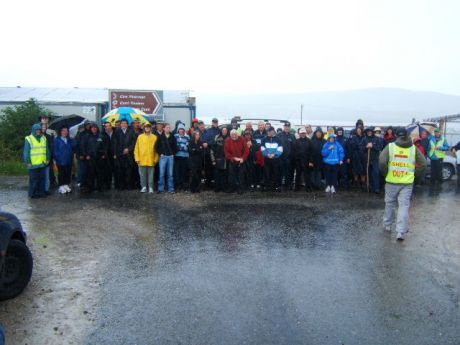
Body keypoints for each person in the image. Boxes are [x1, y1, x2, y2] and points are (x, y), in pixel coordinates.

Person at [379, 127, 427, 241]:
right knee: (403, 206)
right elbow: (424, 164)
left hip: (391, 181)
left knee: (389, 203)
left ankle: (387, 225)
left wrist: (386, 174)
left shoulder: (390, 146)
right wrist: (416, 177)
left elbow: (382, 161)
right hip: (407, 183)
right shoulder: (413, 148)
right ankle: (400, 232)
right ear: (406, 135)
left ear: (396, 135)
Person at [23, 123, 50, 198]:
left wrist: (48, 158)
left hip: (42, 163)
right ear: (33, 130)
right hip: (33, 164)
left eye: (39, 130)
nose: (38, 131)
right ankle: (33, 194)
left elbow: (47, 150)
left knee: (42, 180)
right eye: (37, 130)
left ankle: (41, 193)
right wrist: (28, 162)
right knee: (34, 181)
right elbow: (26, 152)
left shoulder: (43, 138)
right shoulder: (29, 139)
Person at [81, 123, 109, 193]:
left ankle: (100, 187)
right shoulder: (86, 136)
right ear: (90, 129)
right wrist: (86, 155)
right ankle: (90, 187)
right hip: (90, 158)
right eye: (93, 128)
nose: (94, 129)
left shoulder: (101, 136)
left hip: (99, 158)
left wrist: (104, 155)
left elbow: (105, 146)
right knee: (90, 173)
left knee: (100, 173)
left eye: (95, 128)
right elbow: (83, 146)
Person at [134, 122, 159, 193]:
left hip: (151, 159)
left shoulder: (154, 137)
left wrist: (156, 159)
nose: (147, 128)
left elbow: (157, 149)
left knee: (151, 175)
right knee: (142, 175)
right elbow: (136, 149)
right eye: (146, 127)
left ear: (150, 128)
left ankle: (151, 187)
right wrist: (137, 158)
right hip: (141, 160)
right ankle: (144, 187)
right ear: (144, 128)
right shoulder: (140, 137)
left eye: (148, 127)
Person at [112, 119, 137, 190]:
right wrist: (115, 153)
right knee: (120, 171)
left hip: (129, 154)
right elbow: (115, 143)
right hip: (120, 154)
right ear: (120, 124)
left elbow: (134, 142)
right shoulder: (117, 131)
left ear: (127, 124)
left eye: (125, 123)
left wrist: (128, 149)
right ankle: (121, 186)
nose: (123, 124)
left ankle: (129, 185)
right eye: (122, 123)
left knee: (129, 171)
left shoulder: (131, 131)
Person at [224, 129, 249, 194]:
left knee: (241, 175)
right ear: (230, 135)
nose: (234, 136)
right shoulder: (228, 140)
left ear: (237, 134)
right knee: (231, 176)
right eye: (232, 135)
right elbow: (226, 152)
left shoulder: (242, 139)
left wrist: (243, 158)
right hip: (232, 161)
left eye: (235, 134)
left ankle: (240, 189)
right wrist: (233, 158)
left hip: (241, 161)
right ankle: (232, 188)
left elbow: (246, 151)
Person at [53, 126, 76, 194]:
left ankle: (66, 184)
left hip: (68, 159)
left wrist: (72, 139)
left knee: (68, 173)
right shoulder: (57, 140)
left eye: (66, 131)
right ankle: (61, 186)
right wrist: (57, 158)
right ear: (60, 131)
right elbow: (55, 150)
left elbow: (74, 145)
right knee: (61, 173)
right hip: (60, 160)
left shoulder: (69, 139)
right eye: (63, 130)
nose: (65, 132)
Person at [361, 127, 383, 194]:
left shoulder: (377, 139)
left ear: (372, 132)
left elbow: (380, 147)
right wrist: (366, 147)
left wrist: (372, 146)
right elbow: (361, 148)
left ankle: (376, 188)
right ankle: (369, 186)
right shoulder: (364, 139)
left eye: (370, 131)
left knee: (376, 173)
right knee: (368, 173)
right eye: (368, 131)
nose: (369, 132)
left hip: (375, 159)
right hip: (367, 159)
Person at [157, 123, 177, 193]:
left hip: (170, 157)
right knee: (162, 174)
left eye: (169, 127)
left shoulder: (172, 137)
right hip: (163, 157)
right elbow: (156, 147)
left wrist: (173, 154)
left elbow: (175, 147)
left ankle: (171, 189)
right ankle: (160, 189)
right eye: (167, 127)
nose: (168, 129)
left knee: (170, 174)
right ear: (164, 128)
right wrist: (160, 153)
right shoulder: (160, 137)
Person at [261, 127, 283, 192]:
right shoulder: (264, 139)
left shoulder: (278, 139)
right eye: (268, 131)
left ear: (273, 131)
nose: (270, 132)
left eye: (271, 131)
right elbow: (262, 148)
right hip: (267, 159)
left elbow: (280, 149)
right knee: (267, 173)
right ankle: (267, 186)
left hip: (275, 159)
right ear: (267, 132)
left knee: (276, 173)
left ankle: (276, 186)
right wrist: (267, 154)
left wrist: (274, 154)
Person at [277, 122, 296, 190]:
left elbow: (294, 147)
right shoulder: (279, 135)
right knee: (280, 172)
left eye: (288, 127)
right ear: (284, 127)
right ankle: (279, 185)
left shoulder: (292, 136)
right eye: (286, 126)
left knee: (289, 172)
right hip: (281, 157)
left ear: (289, 128)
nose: (287, 128)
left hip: (289, 158)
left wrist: (292, 156)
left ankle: (288, 185)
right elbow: (277, 146)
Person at [202, 118, 220, 188]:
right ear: (212, 123)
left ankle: (216, 183)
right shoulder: (208, 130)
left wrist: (209, 142)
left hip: (217, 153)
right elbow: (204, 140)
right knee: (208, 168)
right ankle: (208, 184)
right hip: (208, 152)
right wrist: (208, 143)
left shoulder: (219, 131)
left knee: (216, 169)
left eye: (216, 122)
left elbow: (217, 141)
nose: (215, 123)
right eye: (214, 122)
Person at [210, 127, 229, 192]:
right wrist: (213, 160)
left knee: (225, 175)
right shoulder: (217, 138)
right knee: (217, 175)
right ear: (221, 131)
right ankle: (217, 188)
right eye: (223, 130)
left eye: (225, 130)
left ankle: (224, 188)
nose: (224, 131)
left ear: (227, 131)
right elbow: (212, 151)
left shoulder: (229, 138)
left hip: (226, 160)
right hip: (217, 159)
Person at [174, 124, 190, 191]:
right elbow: (175, 146)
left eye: (182, 129)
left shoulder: (187, 137)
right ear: (178, 130)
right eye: (180, 129)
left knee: (184, 171)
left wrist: (180, 146)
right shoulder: (175, 136)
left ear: (184, 130)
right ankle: (178, 185)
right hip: (177, 156)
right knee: (177, 171)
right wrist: (181, 146)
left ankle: (184, 185)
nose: (181, 130)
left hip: (185, 156)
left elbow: (187, 147)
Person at [101, 122, 116, 189]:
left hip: (115, 154)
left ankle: (117, 184)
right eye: (106, 126)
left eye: (108, 126)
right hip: (106, 155)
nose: (107, 127)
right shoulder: (102, 134)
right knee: (107, 170)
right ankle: (107, 184)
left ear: (111, 126)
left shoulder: (116, 133)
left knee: (116, 169)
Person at [41, 123, 54, 194]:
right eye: (42, 127)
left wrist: (50, 158)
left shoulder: (49, 137)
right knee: (40, 176)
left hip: (48, 158)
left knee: (47, 175)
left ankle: (46, 189)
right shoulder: (37, 136)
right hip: (39, 159)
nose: (44, 128)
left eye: (45, 127)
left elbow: (51, 148)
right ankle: (40, 189)